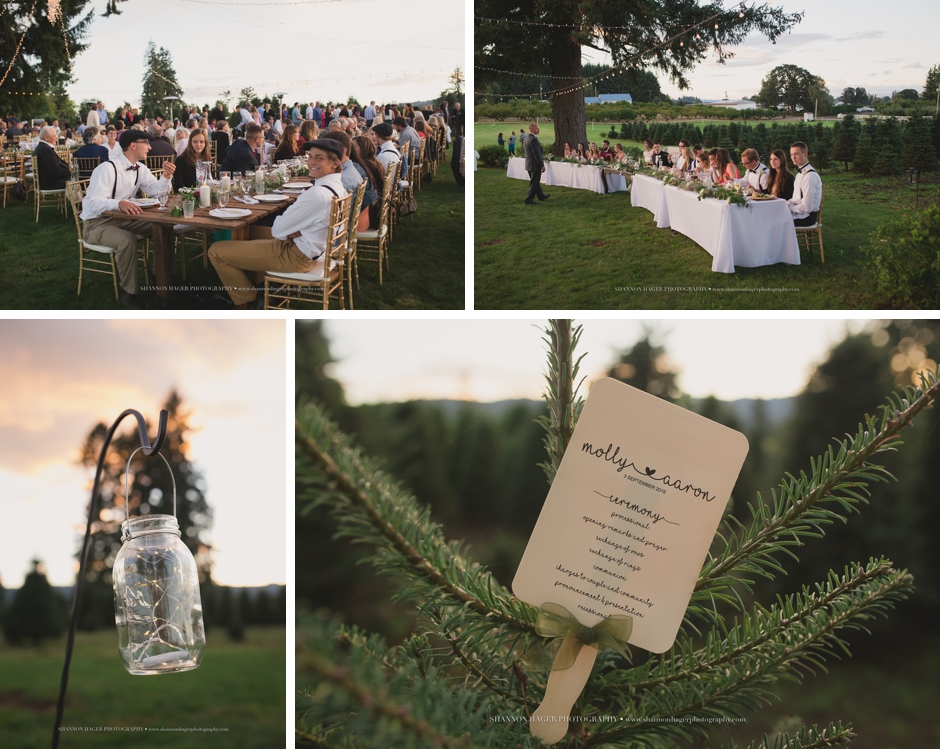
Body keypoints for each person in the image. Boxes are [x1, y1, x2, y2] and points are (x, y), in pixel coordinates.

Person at [208, 139, 347, 309]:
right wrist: (295, 230)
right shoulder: (338, 187)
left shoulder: (317, 194)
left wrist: (291, 230)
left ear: (335, 163)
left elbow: (277, 230)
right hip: (313, 249)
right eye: (310, 156)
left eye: (319, 158)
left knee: (216, 251)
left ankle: (248, 299)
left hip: (296, 257)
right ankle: (264, 286)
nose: (311, 162)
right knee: (252, 231)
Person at [79, 130, 176, 309]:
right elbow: (93, 203)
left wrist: (166, 177)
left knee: (164, 226)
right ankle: (129, 293)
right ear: (133, 145)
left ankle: (160, 275)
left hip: (124, 218)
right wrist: (120, 203)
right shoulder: (106, 169)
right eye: (146, 143)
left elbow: (158, 192)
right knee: (127, 240)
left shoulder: (140, 168)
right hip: (96, 224)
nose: (149, 147)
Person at [351, 135, 385, 231]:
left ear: (363, 149)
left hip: (370, 211)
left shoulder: (365, 166)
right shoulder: (373, 161)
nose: (351, 149)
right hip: (375, 206)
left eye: (354, 147)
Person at [788, 141, 822, 226]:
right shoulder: (800, 173)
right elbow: (796, 199)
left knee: (776, 222)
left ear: (805, 153)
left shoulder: (809, 176)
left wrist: (790, 208)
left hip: (807, 217)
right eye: (792, 154)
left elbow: (807, 207)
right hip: (799, 213)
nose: (793, 157)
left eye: (796, 154)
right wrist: (784, 204)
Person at [321, 130, 363, 196]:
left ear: (343, 151)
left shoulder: (341, 181)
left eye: (328, 151)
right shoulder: (351, 170)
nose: (324, 154)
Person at [34, 125, 72, 190]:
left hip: (47, 181)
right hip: (51, 183)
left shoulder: (41, 147)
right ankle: (80, 199)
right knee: (77, 180)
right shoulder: (45, 150)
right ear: (46, 137)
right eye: (54, 136)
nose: (56, 138)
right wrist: (69, 173)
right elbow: (56, 171)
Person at [522, 122, 549, 205]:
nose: (538, 129)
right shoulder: (533, 139)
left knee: (535, 181)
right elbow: (536, 153)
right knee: (534, 183)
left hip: (529, 164)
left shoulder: (526, 138)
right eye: (537, 128)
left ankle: (541, 196)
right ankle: (529, 199)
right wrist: (542, 165)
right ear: (531, 129)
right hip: (534, 165)